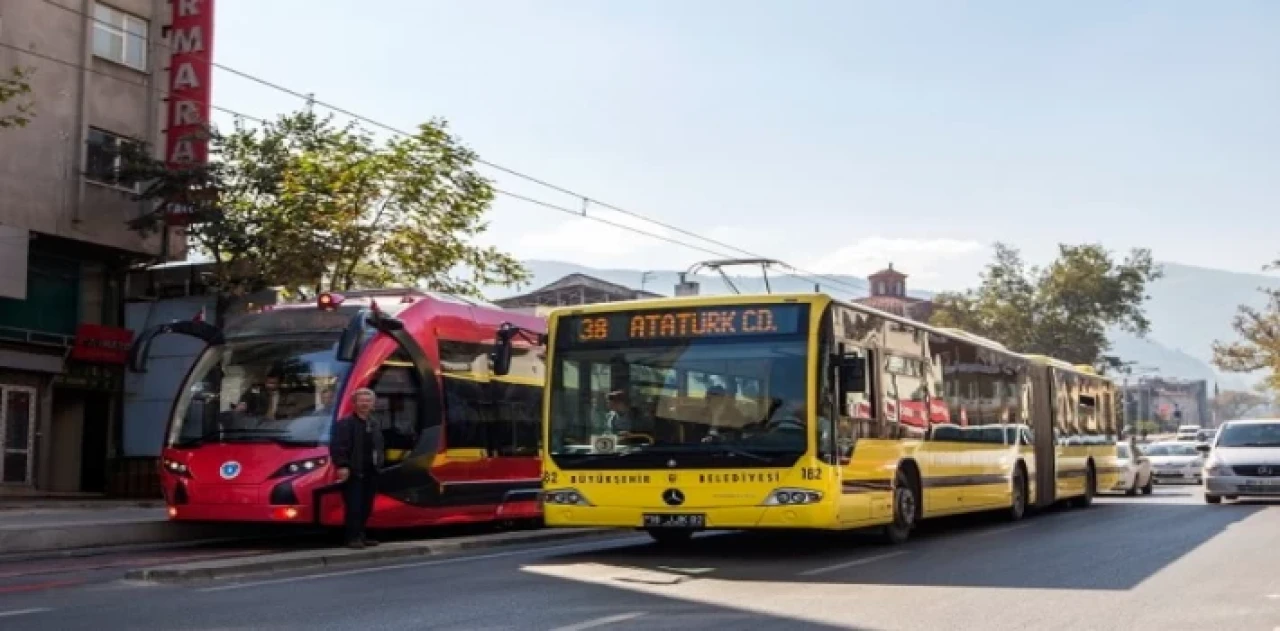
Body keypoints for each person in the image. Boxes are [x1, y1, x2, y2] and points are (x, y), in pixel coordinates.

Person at [329, 387, 384, 549]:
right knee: (354, 506)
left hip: (371, 470)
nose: (365, 404)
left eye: (368, 401)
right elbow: (338, 446)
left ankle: (361, 535)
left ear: (373, 404)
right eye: (361, 401)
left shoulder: (374, 423)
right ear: (354, 403)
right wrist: (343, 465)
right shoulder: (345, 424)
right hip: (354, 471)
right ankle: (352, 538)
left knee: (366, 506)